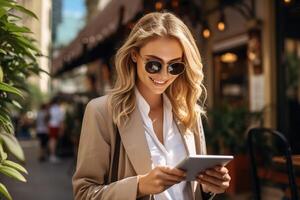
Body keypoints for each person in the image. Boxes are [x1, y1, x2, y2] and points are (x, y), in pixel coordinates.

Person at [72, 12, 231, 200]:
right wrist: (139, 186)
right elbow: (84, 193)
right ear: (134, 55)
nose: (163, 75)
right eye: (154, 64)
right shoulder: (101, 112)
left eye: (174, 66)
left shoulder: (189, 113)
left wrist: (208, 186)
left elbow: (191, 192)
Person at [48, 97, 64, 163]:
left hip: (51, 125)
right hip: (55, 126)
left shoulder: (50, 108)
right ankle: (52, 155)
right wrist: (61, 129)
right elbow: (61, 121)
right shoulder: (59, 109)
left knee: (52, 140)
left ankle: (51, 154)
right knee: (54, 141)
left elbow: (47, 117)